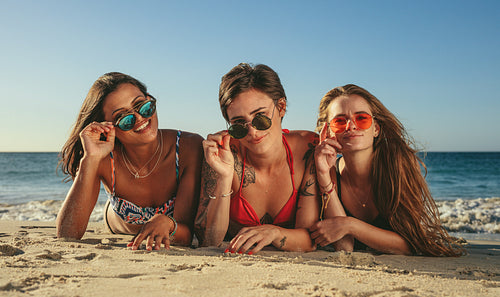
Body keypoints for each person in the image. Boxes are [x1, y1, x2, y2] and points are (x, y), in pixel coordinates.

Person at [56, 72, 203, 251]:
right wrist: (90, 159)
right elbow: (67, 234)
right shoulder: (104, 159)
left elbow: (185, 235)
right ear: (107, 126)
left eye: (142, 106)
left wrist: (169, 224)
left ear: (150, 99)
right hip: (116, 224)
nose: (140, 118)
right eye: (124, 118)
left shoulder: (188, 147)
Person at [311, 84, 463, 256]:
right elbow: (344, 247)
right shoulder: (329, 171)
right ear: (329, 131)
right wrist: (323, 175)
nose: (351, 126)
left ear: (376, 128)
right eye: (339, 121)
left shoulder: (397, 166)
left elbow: (412, 243)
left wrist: (349, 225)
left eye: (361, 118)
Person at [194, 63, 318, 254]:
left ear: (281, 107)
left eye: (260, 117)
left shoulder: (307, 148)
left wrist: (274, 233)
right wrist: (225, 177)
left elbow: (310, 240)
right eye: (239, 124)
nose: (252, 131)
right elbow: (209, 240)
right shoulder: (224, 152)